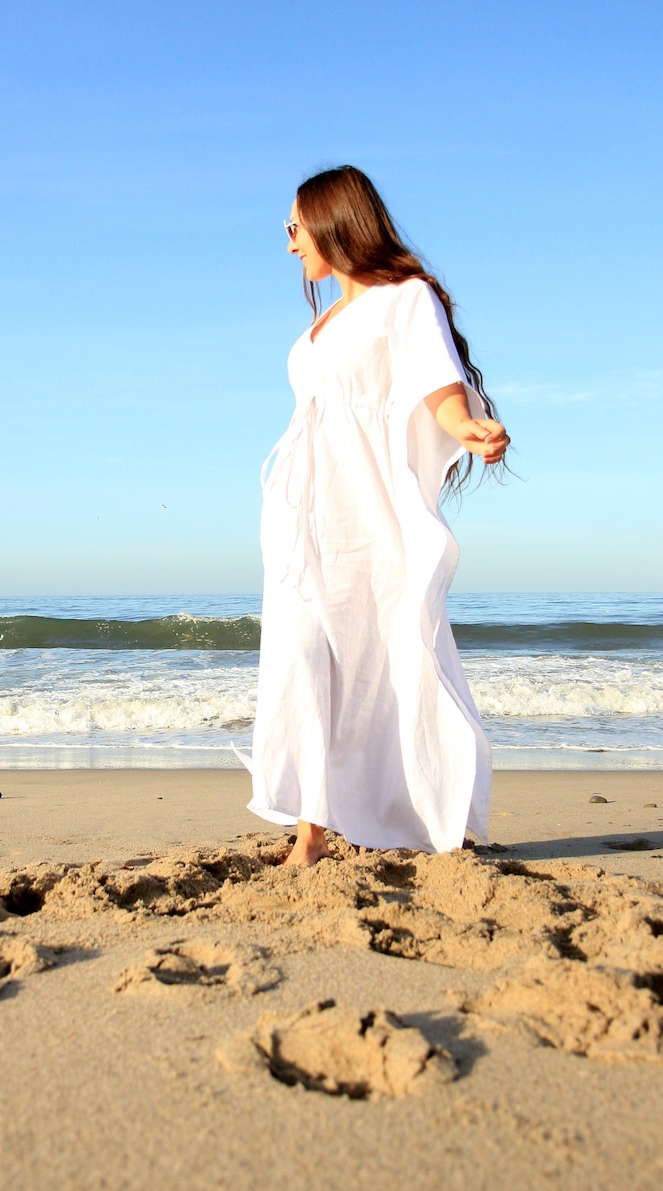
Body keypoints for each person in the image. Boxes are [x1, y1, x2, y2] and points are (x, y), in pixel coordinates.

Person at [241, 165, 510, 866]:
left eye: (294, 227)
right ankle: (312, 831)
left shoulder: (405, 300)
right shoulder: (323, 320)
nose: (289, 243)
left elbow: (434, 380)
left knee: (376, 659)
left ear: (333, 222)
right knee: (302, 654)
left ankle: (393, 814)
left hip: (368, 516)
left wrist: (467, 424)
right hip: (307, 517)